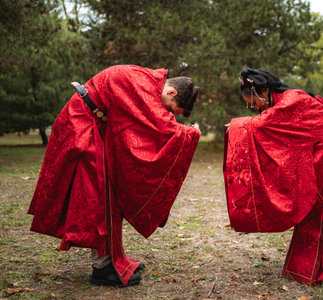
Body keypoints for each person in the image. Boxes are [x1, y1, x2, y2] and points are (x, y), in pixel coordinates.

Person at [28, 65, 200, 287]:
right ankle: (101, 268)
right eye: (171, 108)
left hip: (91, 125)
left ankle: (114, 258)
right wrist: (190, 133)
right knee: (98, 199)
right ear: (171, 93)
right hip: (82, 126)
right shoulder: (143, 85)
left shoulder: (147, 82)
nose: (168, 112)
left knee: (107, 196)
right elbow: (158, 124)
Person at [223, 68, 323, 286]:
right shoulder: (285, 102)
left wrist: (235, 127)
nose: (252, 107)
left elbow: (264, 124)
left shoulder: (291, 100)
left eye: (252, 101)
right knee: (320, 205)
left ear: (263, 91)